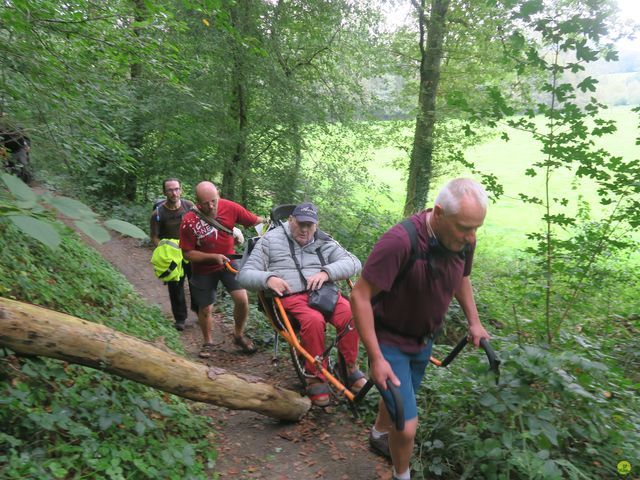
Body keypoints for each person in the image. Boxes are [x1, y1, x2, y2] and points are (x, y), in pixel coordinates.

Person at [350, 178, 491, 480]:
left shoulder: (463, 239)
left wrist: (474, 322)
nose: (471, 237)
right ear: (438, 213)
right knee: (407, 423)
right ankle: (402, 475)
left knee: (402, 396)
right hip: (388, 339)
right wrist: (376, 358)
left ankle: (377, 433)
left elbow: (461, 278)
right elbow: (359, 296)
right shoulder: (400, 242)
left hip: (423, 341)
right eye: (465, 227)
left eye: (477, 228)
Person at [237, 202, 367, 407]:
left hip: (324, 293)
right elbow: (244, 274)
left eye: (310, 225)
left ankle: (349, 367)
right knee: (313, 320)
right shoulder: (270, 241)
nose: (305, 229)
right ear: (290, 221)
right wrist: (268, 278)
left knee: (351, 315)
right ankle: (314, 376)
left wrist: (326, 272)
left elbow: (354, 262)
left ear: (316, 225)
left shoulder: (323, 240)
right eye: (300, 224)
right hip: (292, 296)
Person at [180, 181, 265, 358]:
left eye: (214, 201)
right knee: (205, 308)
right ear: (197, 201)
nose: (211, 206)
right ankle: (208, 342)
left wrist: (281, 226)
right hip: (203, 268)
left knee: (242, 299)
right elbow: (187, 254)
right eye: (205, 203)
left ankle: (238, 335)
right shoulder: (189, 221)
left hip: (228, 262)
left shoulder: (230, 207)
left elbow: (256, 221)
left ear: (218, 195)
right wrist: (212, 257)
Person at [150, 178, 196, 331]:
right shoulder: (158, 213)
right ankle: (180, 318)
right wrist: (163, 250)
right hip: (172, 255)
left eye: (176, 189)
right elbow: (154, 236)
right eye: (170, 190)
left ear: (181, 190)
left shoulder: (189, 206)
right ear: (164, 192)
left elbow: (201, 222)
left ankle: (199, 310)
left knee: (196, 281)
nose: (174, 192)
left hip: (190, 250)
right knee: (175, 286)